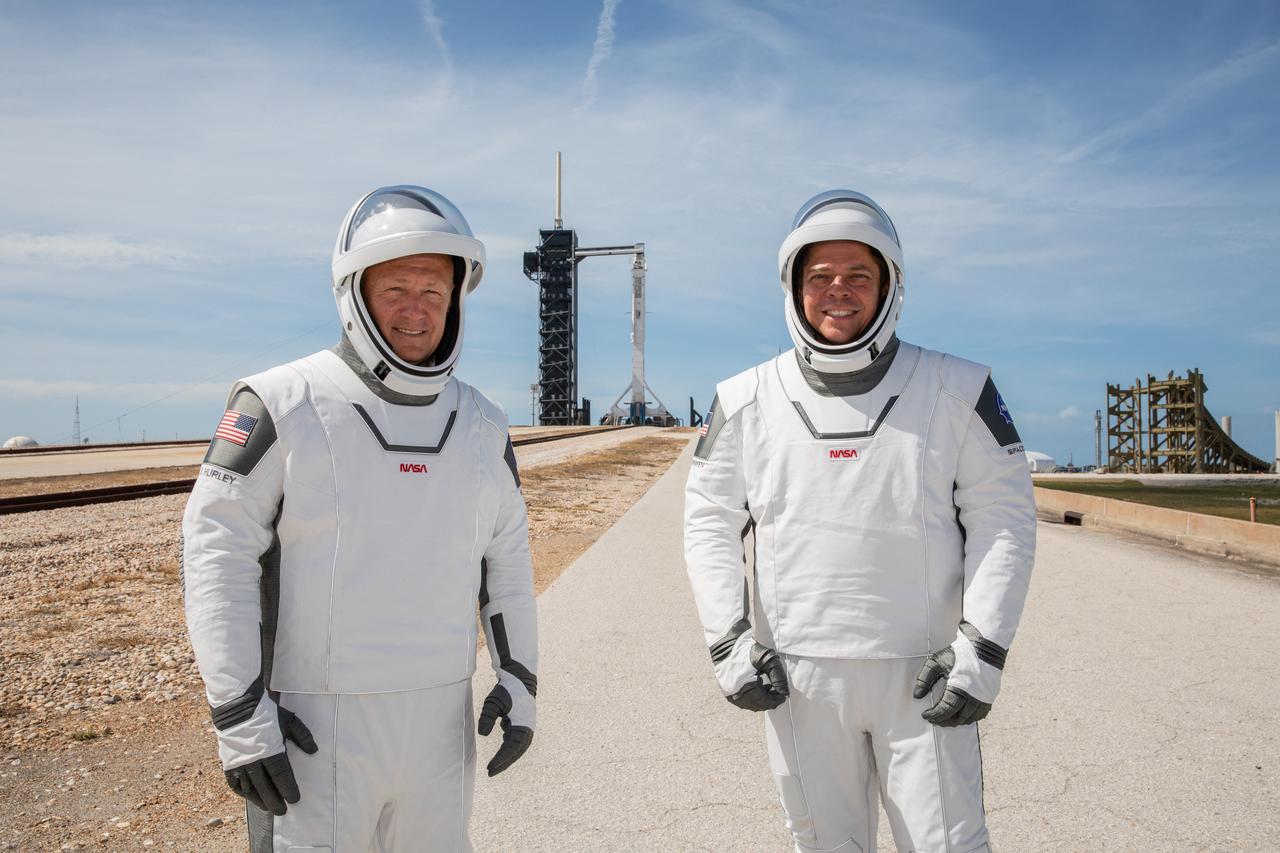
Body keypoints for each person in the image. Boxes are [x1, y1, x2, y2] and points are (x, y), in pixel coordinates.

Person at [182, 185, 537, 852]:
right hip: (313, 727)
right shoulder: (279, 403)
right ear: (353, 293)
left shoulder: (484, 425)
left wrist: (520, 681)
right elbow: (215, 553)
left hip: (439, 726)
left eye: (434, 290)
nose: (417, 309)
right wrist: (239, 716)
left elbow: (508, 563)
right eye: (396, 288)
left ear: (458, 300)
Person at [684, 190, 1036, 853]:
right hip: (798, 676)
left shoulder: (958, 387)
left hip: (928, 671)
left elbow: (1006, 518)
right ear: (792, 287)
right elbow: (708, 523)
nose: (837, 291)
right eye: (819, 276)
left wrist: (981, 650)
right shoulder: (743, 400)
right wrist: (729, 642)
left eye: (858, 276)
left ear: (890, 286)